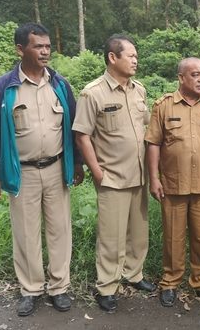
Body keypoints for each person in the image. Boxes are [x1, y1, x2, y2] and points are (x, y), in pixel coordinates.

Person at [0, 22, 84, 317]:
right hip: (21, 172)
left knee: (60, 230)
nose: (45, 51)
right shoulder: (3, 88)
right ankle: (31, 289)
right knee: (25, 233)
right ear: (20, 49)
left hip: (56, 168)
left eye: (48, 46)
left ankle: (59, 287)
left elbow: (74, 126)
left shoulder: (60, 85)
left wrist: (77, 162)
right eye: (38, 46)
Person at [72, 34, 155, 312]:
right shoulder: (92, 92)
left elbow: (146, 127)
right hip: (112, 176)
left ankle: (134, 274)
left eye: (136, 55)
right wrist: (96, 172)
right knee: (111, 235)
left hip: (139, 173)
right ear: (112, 57)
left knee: (138, 232)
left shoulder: (138, 90)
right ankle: (107, 286)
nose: (135, 60)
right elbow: (82, 135)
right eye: (130, 55)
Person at [145, 57, 200, 307]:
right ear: (181, 78)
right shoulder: (164, 106)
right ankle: (170, 282)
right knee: (173, 237)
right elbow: (153, 144)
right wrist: (154, 178)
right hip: (173, 185)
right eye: (196, 74)